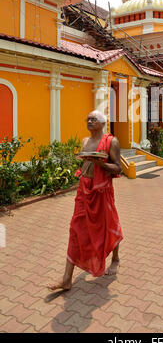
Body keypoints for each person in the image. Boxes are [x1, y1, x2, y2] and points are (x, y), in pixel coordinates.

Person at [48, 110, 123, 291]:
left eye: (93, 119)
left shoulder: (111, 141)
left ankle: (115, 258)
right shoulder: (85, 141)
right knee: (76, 230)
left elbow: (118, 168)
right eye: (87, 119)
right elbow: (84, 163)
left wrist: (101, 164)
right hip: (84, 190)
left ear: (103, 123)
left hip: (102, 191)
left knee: (108, 225)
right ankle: (67, 279)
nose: (89, 121)